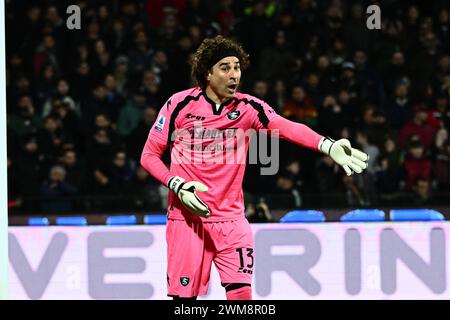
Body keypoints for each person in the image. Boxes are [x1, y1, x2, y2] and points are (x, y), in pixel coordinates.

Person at [140, 36, 369, 300]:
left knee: (242, 298)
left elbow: (286, 127)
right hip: (187, 220)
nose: (233, 74)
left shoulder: (248, 108)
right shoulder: (179, 105)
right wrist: (177, 185)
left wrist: (326, 145)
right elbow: (149, 155)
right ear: (207, 72)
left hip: (231, 220)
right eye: (225, 67)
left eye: (237, 67)